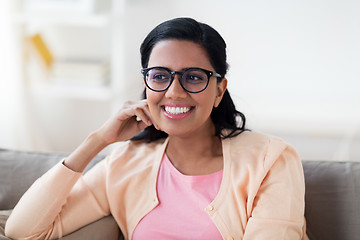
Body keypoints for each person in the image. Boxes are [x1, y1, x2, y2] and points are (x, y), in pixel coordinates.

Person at [5, 17, 308, 240]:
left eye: (192, 77)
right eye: (160, 76)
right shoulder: (125, 164)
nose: (174, 92)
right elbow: (24, 230)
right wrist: (97, 141)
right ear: (146, 84)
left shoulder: (272, 160)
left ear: (218, 90)